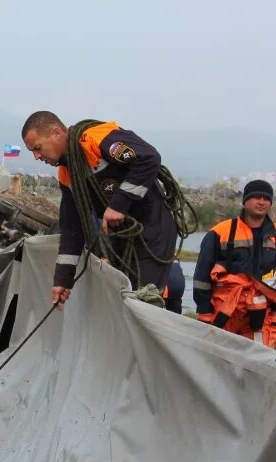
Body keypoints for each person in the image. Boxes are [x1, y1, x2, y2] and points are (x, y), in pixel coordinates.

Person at [20, 111, 179, 307]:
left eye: (37, 148)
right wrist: (63, 280)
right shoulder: (67, 174)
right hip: (120, 240)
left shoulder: (96, 137)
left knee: (141, 303)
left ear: (56, 132)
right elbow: (72, 231)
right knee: (122, 303)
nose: (36, 156)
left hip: (152, 233)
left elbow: (148, 158)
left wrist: (118, 205)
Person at [193, 180, 276, 344]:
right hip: (224, 311)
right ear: (245, 201)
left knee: (258, 362)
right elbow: (202, 276)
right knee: (219, 359)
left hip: (262, 314)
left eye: (266, 199)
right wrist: (204, 311)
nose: (261, 202)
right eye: (256, 197)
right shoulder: (220, 232)